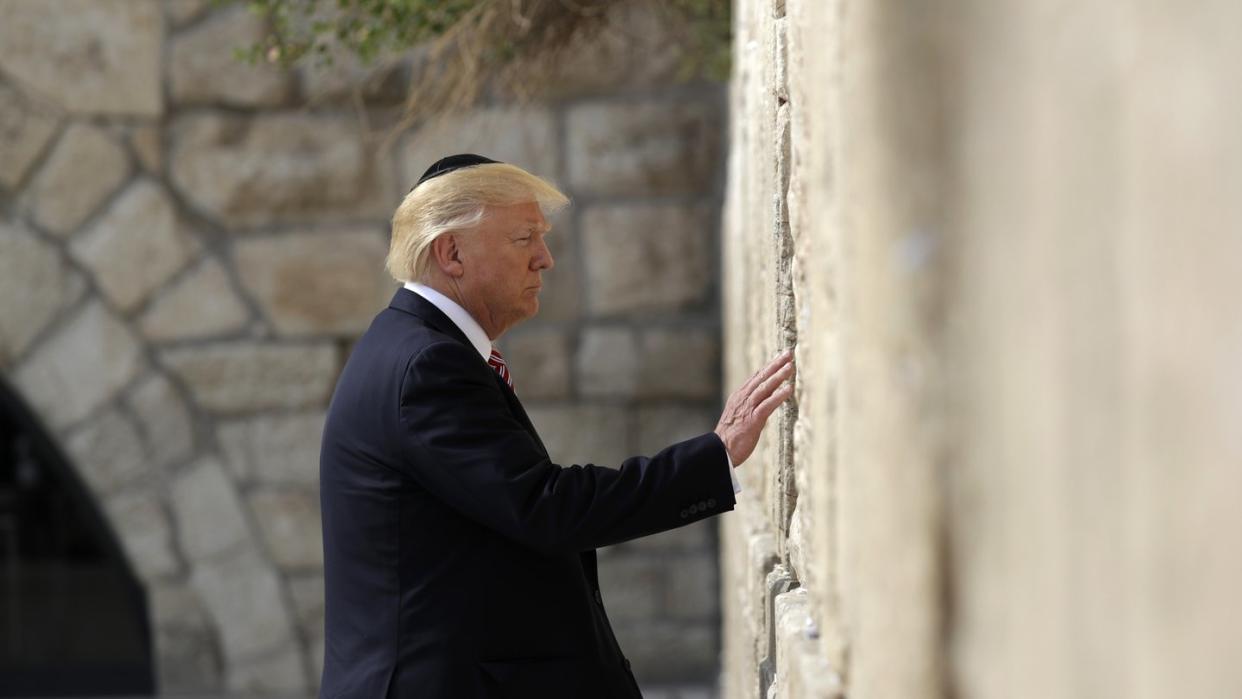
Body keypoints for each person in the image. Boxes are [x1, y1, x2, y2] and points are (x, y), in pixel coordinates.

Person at [319, 154, 795, 698]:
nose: (545, 259)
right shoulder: (426, 365)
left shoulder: (413, 348)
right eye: (524, 239)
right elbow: (545, 507)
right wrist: (714, 456)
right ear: (451, 253)